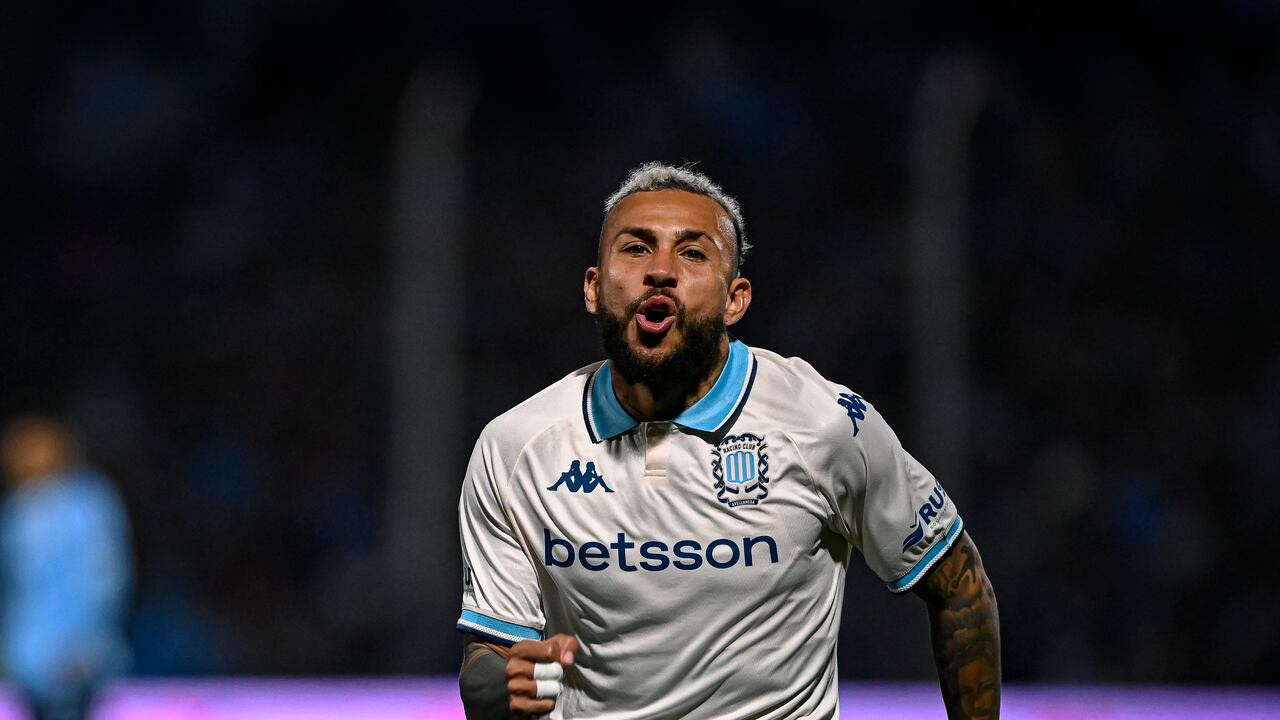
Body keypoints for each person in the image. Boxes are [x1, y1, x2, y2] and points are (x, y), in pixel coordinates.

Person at [456, 163, 1000, 719]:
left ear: (735, 299)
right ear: (594, 288)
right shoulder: (515, 448)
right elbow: (488, 658)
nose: (660, 271)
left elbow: (958, 583)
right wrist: (496, 685)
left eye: (693, 254)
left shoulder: (823, 424)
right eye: (636, 248)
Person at [0, 415, 133, 720]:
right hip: (29, 655)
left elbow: (106, 580)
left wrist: (84, 643)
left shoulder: (87, 507)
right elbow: (11, 586)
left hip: (76, 652)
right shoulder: (16, 511)